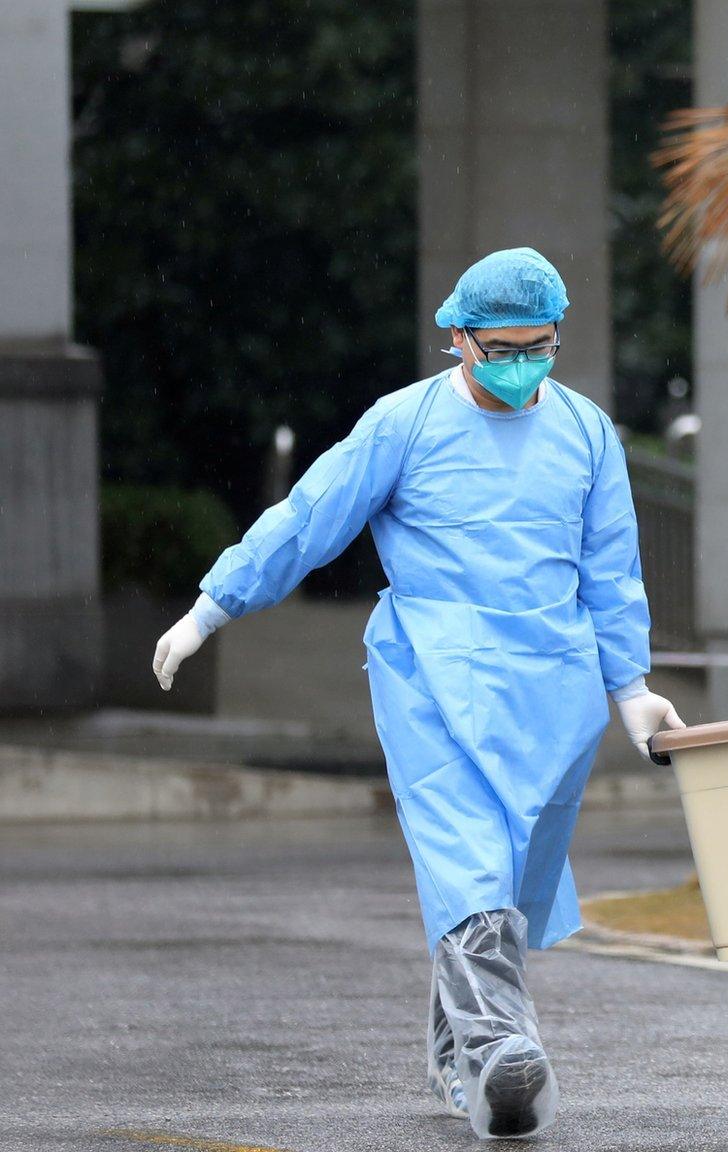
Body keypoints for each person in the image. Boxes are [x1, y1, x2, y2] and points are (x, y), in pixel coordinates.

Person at [149, 247, 685, 1140]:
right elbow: (310, 516)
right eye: (502, 348)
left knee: (503, 880)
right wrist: (214, 605)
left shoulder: (589, 434)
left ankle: (463, 1062)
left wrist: (630, 687)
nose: (521, 365)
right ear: (459, 340)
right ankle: (507, 1048)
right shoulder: (404, 424)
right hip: (432, 672)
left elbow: (611, 571)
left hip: (553, 685)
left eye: (539, 347)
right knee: (465, 863)